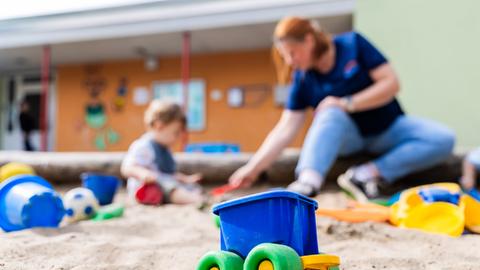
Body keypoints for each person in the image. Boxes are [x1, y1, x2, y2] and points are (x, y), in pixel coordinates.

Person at [229, 17, 455, 202]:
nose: (289, 61)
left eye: (292, 52)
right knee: (329, 112)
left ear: (308, 40)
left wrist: (347, 103)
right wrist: (252, 169)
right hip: (350, 140)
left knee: (442, 138)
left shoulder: (353, 44)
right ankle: (307, 183)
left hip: (388, 128)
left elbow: (391, 83)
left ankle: (366, 174)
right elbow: (286, 128)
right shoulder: (302, 78)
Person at [121, 100, 203, 204]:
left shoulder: (165, 149)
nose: (177, 138)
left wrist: (185, 179)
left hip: (164, 184)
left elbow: (168, 174)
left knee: (190, 187)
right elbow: (127, 168)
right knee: (170, 188)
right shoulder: (144, 146)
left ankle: (192, 196)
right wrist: (143, 173)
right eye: (175, 133)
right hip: (145, 190)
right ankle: (195, 200)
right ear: (159, 126)